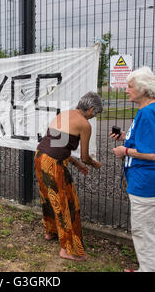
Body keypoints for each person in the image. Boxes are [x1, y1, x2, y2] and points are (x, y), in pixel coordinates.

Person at [110, 66, 155, 272]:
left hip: (145, 181)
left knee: (141, 229)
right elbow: (148, 142)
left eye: (130, 87)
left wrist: (124, 151)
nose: (126, 90)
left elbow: (152, 154)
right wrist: (125, 139)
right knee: (153, 225)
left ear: (143, 89)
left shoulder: (147, 113)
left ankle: (148, 270)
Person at [35, 91, 103, 261]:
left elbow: (57, 146)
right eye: (95, 114)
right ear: (91, 109)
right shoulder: (85, 125)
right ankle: (67, 249)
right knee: (67, 203)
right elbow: (86, 157)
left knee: (49, 197)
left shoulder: (64, 114)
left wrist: (76, 164)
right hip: (53, 163)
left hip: (40, 156)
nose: (93, 118)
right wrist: (94, 164)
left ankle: (50, 232)